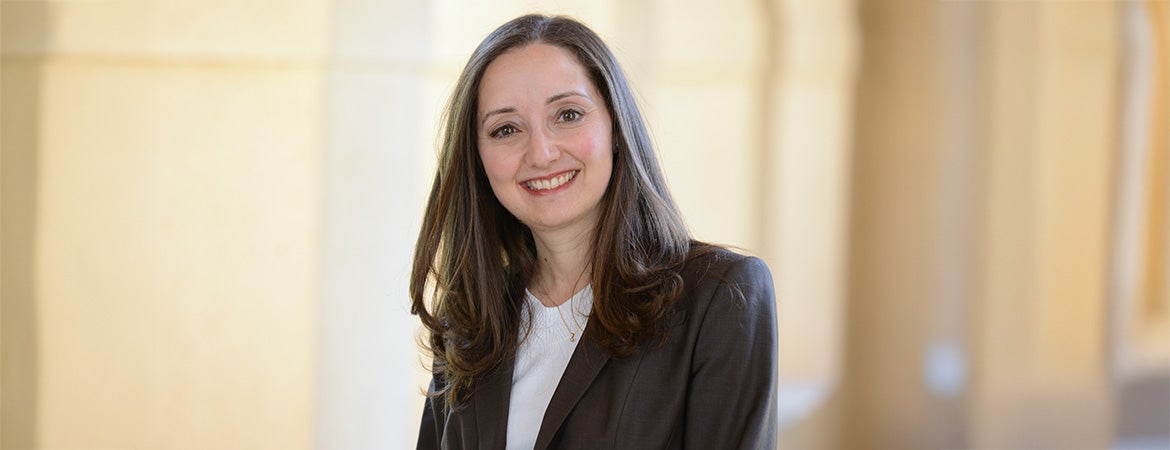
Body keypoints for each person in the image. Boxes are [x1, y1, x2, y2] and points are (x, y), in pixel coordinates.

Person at [411, 13, 777, 450]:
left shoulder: (719, 298)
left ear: (615, 127)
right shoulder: (470, 320)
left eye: (568, 115)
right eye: (505, 129)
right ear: (477, 157)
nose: (541, 153)